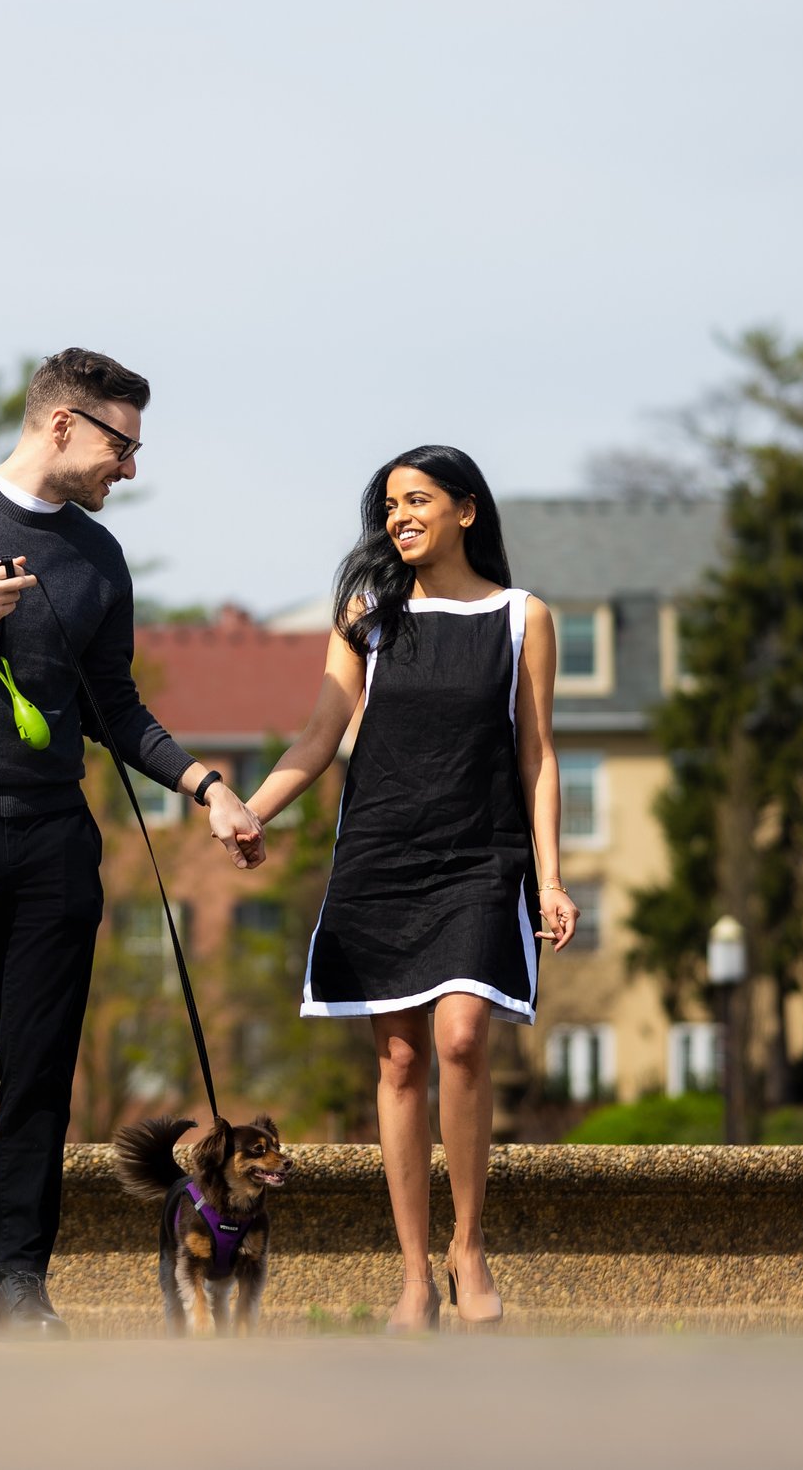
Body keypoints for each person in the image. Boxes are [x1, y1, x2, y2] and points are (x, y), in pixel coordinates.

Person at [0, 347, 267, 1340]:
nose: (131, 467)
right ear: (63, 423)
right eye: (122, 444)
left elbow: (114, 706)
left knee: (38, 1069)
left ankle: (19, 1283)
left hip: (50, 840)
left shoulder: (96, 559)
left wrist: (206, 787)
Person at [241, 444, 580, 1333]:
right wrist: (255, 810)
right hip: (382, 856)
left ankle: (469, 1247)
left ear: (466, 510)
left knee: (463, 1035)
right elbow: (320, 733)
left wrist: (551, 876)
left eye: (417, 498)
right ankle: (414, 1277)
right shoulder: (367, 615)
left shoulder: (521, 617)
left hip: (480, 855)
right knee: (399, 1059)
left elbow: (538, 755)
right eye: (389, 504)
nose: (398, 515)